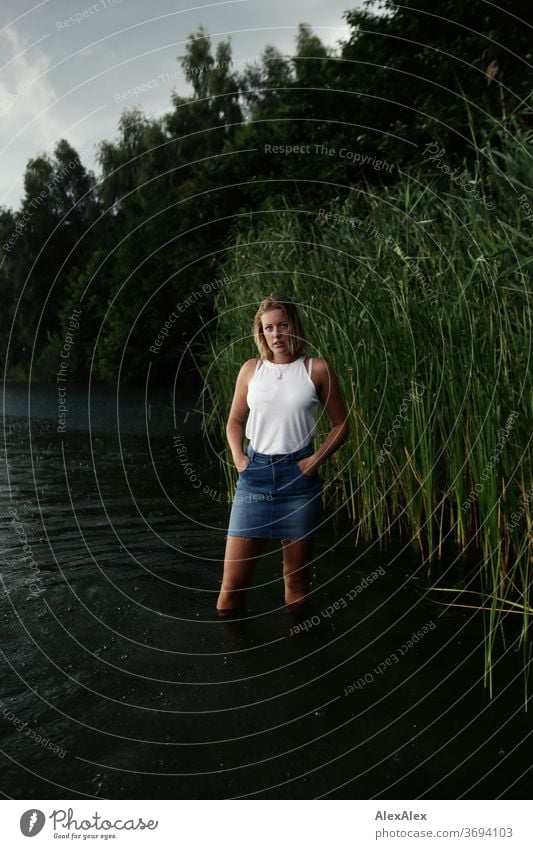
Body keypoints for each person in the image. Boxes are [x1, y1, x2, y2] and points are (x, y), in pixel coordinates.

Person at [216, 293, 349, 612]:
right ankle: (233, 658)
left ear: (295, 326)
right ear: (260, 333)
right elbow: (234, 421)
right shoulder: (251, 370)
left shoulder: (316, 369)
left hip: (298, 483)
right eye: (268, 328)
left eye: (282, 325)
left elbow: (340, 425)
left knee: (296, 582)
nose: (276, 334)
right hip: (255, 479)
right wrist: (238, 457)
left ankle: (298, 657)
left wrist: (315, 460)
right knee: (232, 587)